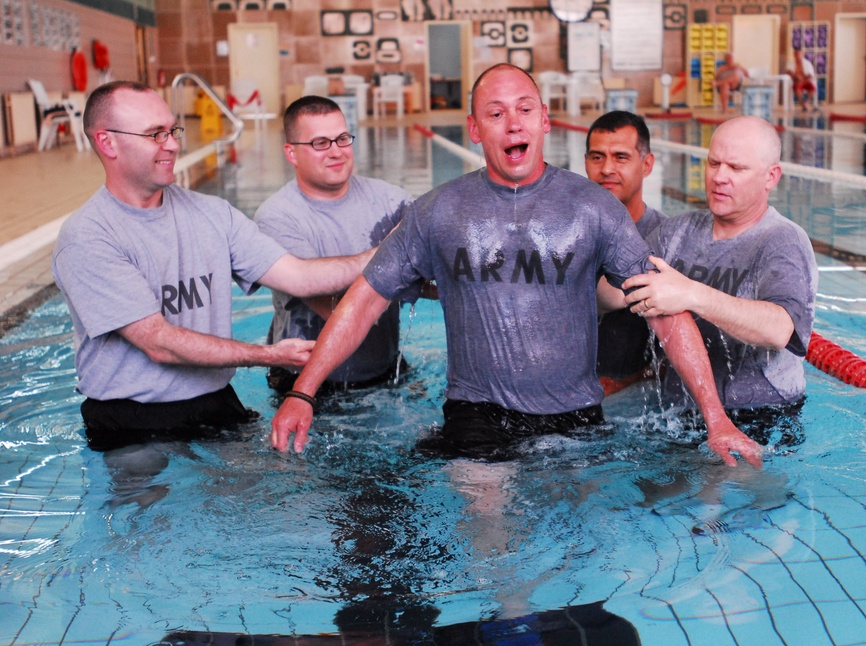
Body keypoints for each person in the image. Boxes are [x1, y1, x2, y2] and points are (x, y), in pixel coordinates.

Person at [270, 64, 761, 467]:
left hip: (575, 415)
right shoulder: (438, 211)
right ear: (474, 128)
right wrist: (304, 391)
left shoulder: (593, 208)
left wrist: (716, 419)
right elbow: (362, 302)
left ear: (545, 120)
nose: (513, 123)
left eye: (525, 110)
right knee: (497, 559)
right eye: (496, 113)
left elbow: (666, 312)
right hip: (477, 417)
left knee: (581, 558)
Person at [51, 81, 376, 450]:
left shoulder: (211, 214)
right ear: (107, 142)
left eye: (172, 130)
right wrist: (268, 355)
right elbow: (159, 344)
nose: (173, 144)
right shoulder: (88, 237)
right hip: (130, 421)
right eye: (155, 134)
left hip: (216, 402)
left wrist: (382, 255)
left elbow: (298, 276)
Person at [622, 115, 818, 427]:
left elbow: (780, 329)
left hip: (762, 415)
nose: (719, 177)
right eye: (714, 163)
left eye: (736, 168)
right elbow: (614, 290)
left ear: (771, 177)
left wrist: (691, 294)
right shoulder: (676, 232)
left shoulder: (781, 241)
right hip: (678, 413)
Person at [255, 95, 414, 393]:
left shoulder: (390, 200)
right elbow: (334, 308)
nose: (336, 152)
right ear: (291, 153)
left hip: (387, 369)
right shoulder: (277, 218)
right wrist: (397, 254)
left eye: (342, 138)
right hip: (306, 382)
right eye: (320, 143)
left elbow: (435, 269)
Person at [584, 110, 669, 395]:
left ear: (646, 164)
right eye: (597, 157)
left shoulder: (668, 240)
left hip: (635, 402)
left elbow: (687, 348)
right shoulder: (565, 233)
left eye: (621, 157)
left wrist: (623, 385)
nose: (607, 168)